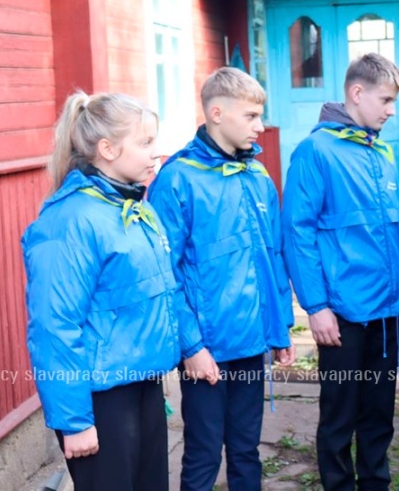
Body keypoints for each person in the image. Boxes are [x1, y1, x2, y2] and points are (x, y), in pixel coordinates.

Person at [23, 92, 180, 491]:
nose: (155, 153)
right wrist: (75, 422)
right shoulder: (70, 221)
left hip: (142, 387)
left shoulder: (135, 209)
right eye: (144, 143)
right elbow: (54, 327)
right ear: (107, 149)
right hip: (101, 400)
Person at [149, 67, 295, 491]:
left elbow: (272, 257)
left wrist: (280, 326)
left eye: (259, 115)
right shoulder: (177, 179)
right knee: (204, 452)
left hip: (252, 342)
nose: (260, 125)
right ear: (216, 113)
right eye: (250, 116)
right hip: (207, 351)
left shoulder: (258, 176)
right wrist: (191, 346)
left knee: (247, 450)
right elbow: (164, 275)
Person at [282, 52, 399, 491]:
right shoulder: (315, 152)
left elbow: (393, 230)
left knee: (379, 413)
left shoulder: (381, 151)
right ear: (356, 93)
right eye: (385, 99)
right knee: (340, 414)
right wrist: (316, 306)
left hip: (386, 311)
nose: (391, 110)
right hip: (342, 312)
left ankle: (376, 485)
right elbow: (297, 234)